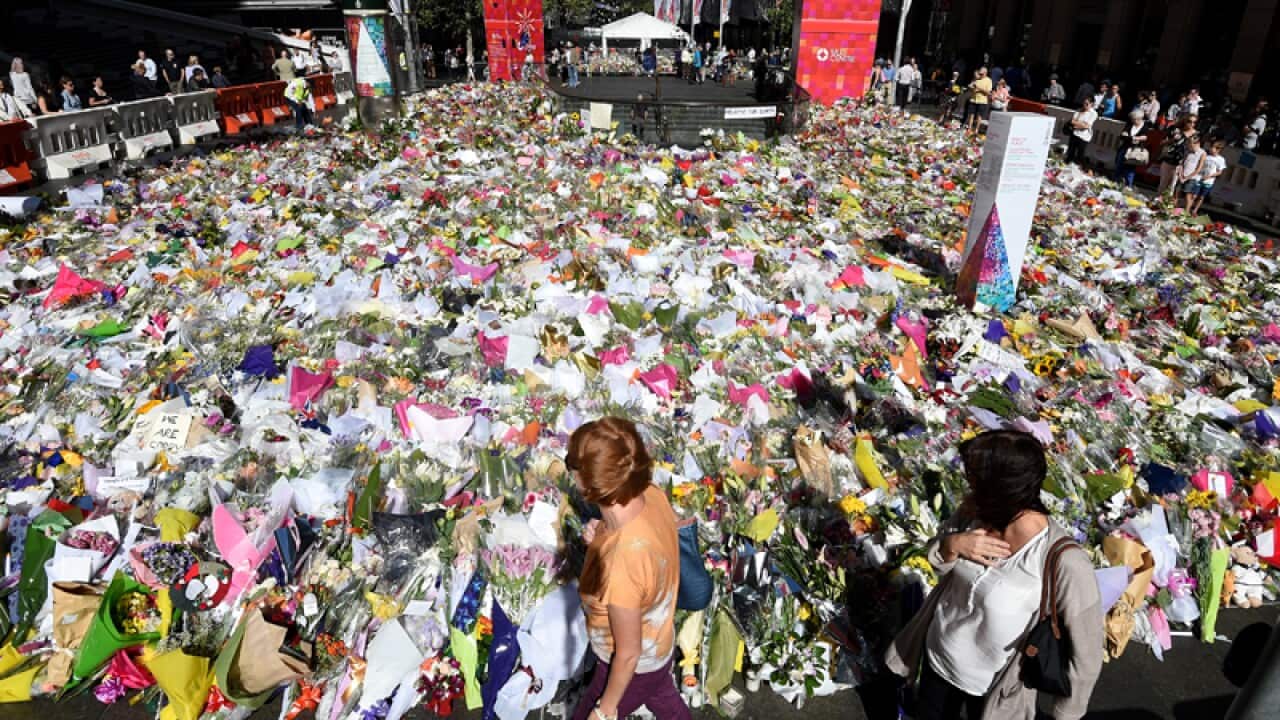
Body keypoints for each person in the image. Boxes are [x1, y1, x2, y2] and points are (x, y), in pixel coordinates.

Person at [886, 430, 1102, 720]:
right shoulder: (974, 515)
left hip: (995, 689)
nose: (969, 489)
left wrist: (1066, 713)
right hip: (938, 660)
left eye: (975, 482)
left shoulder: (1063, 561)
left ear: (1002, 489)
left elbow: (1086, 653)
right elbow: (938, 565)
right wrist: (953, 544)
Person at [567, 417, 689, 720]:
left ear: (589, 486)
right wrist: (601, 535)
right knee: (665, 699)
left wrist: (605, 710)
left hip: (634, 665)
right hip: (659, 642)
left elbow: (628, 653)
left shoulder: (623, 562)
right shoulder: (650, 494)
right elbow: (649, 547)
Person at [1158, 115, 1196, 197]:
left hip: (1181, 164)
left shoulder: (1195, 134)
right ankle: (1156, 203)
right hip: (1169, 159)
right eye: (1189, 121)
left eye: (1194, 122)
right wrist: (1173, 140)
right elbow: (1162, 143)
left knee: (1172, 187)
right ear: (1185, 121)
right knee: (1163, 185)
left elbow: (1194, 150)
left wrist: (1190, 143)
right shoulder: (1175, 129)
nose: (1192, 124)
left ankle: (1164, 205)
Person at [1190, 139, 1226, 215]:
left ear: (1218, 150)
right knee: (1194, 195)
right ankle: (1188, 208)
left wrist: (1209, 176)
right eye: (1211, 147)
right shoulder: (1205, 155)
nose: (1211, 149)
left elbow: (1219, 172)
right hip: (1199, 178)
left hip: (1208, 181)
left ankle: (1195, 211)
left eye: (1213, 147)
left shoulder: (1221, 159)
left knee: (1201, 197)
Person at [1115, 109, 1150, 187]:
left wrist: (1135, 138)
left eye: (1134, 119)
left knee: (1130, 169)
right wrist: (1124, 134)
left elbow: (1145, 137)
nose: (1132, 120)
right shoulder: (1130, 124)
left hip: (1134, 151)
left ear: (1139, 119)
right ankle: (1116, 182)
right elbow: (1123, 133)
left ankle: (1128, 186)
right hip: (1125, 148)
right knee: (1119, 165)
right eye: (1132, 119)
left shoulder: (1145, 126)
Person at [1177, 134, 1207, 214]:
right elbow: (1182, 164)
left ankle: (1185, 214)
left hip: (1192, 178)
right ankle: (1172, 210)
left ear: (1197, 143)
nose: (1188, 145)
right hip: (1182, 176)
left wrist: (1186, 178)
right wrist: (1180, 175)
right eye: (1188, 143)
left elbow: (1198, 169)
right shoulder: (1187, 150)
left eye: (1191, 143)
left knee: (1188, 196)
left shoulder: (1202, 153)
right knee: (1177, 193)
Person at [1065, 97, 1097, 165]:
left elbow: (1087, 126)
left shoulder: (1093, 113)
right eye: (1084, 103)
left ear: (1092, 104)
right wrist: (1080, 124)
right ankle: (1066, 165)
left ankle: (1084, 169)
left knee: (1080, 154)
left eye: (1087, 104)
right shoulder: (1079, 110)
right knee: (1070, 152)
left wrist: (1077, 124)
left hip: (1084, 136)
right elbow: (1072, 121)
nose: (1084, 105)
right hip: (1074, 133)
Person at [966, 67, 992, 133]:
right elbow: (970, 86)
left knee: (979, 116)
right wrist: (971, 87)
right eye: (980, 74)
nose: (980, 75)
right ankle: (969, 128)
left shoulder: (988, 80)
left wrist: (979, 89)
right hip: (973, 99)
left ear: (986, 73)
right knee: (971, 114)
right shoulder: (976, 79)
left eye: (982, 74)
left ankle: (976, 130)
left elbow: (988, 93)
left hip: (982, 101)